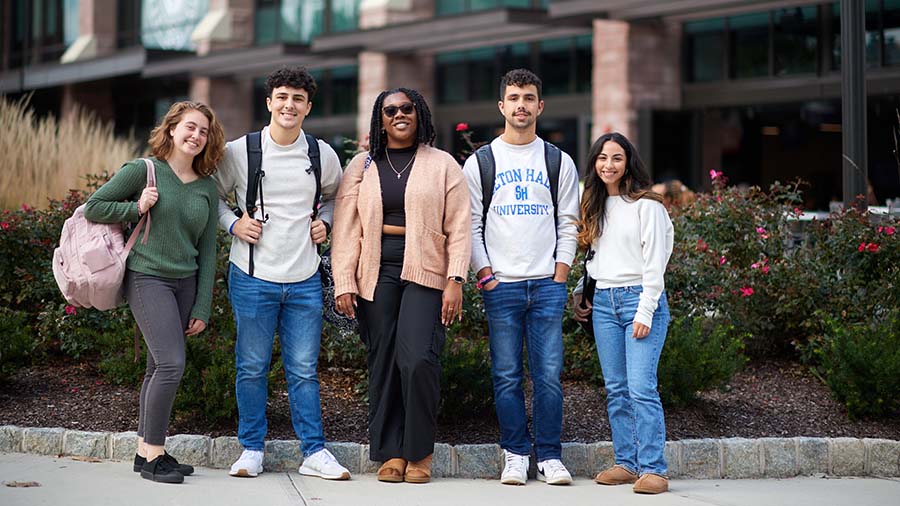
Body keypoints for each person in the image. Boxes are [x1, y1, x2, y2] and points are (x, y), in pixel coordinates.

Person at [213, 66, 351, 480]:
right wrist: (233, 224)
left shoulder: (320, 153)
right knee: (252, 367)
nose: (289, 105)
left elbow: (335, 198)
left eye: (298, 99)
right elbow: (213, 197)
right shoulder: (241, 151)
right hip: (252, 277)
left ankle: (314, 452)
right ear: (269, 102)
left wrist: (324, 222)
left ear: (308, 107)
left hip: (305, 279)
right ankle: (251, 449)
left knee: (304, 370)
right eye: (282, 97)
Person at [331, 88, 471, 484]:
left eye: (406, 108)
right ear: (380, 119)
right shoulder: (363, 165)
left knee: (418, 358)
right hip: (376, 271)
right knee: (383, 361)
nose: (399, 115)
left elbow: (460, 226)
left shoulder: (442, 164)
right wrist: (344, 280)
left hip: (426, 270)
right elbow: (345, 229)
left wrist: (455, 279)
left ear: (419, 113)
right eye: (390, 110)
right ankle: (390, 452)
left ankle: (419, 451)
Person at [84, 101, 225, 484]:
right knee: (171, 364)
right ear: (172, 129)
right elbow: (93, 207)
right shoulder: (144, 171)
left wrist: (203, 305)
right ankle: (155, 455)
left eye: (204, 131)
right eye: (190, 127)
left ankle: (145, 451)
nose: (196, 136)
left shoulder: (207, 188)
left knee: (155, 366)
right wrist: (135, 207)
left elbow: (209, 249)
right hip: (147, 277)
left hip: (186, 283)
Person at [462, 69, 580, 486]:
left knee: (548, 375)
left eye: (529, 98)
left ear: (540, 106)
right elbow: (471, 225)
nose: (521, 105)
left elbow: (570, 223)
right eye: (514, 98)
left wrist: (560, 275)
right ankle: (515, 453)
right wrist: (486, 275)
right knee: (507, 374)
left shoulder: (557, 160)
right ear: (502, 106)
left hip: (546, 284)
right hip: (502, 286)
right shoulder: (481, 162)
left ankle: (549, 455)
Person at [572, 132, 674, 495]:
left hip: (639, 301)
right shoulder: (595, 204)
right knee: (616, 389)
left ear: (628, 162)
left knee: (641, 388)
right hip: (604, 304)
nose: (608, 165)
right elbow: (597, 258)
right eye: (601, 158)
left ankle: (654, 469)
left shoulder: (648, 206)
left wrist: (645, 311)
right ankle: (627, 463)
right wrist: (580, 292)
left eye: (616, 158)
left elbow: (655, 267)